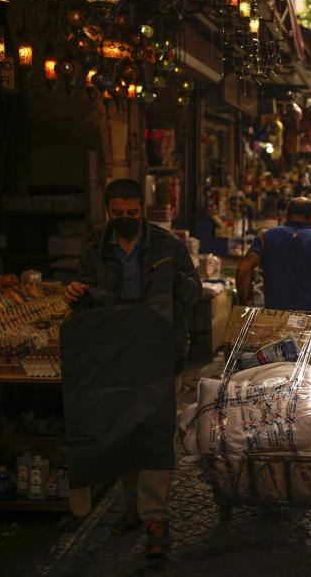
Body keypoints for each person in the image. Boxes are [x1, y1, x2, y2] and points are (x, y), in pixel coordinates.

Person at [63, 179, 202, 558]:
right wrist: (77, 293)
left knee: (154, 432)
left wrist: (171, 278)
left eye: (132, 213)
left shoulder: (166, 244)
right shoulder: (95, 244)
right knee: (122, 428)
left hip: (160, 353)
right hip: (114, 352)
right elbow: (88, 291)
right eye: (117, 214)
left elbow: (195, 292)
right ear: (108, 210)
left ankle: (156, 516)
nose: (125, 219)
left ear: (142, 208)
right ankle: (133, 506)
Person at [235, 197, 311, 333]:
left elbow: (243, 270)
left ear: (287, 214)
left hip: (274, 318)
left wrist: (245, 308)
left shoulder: (265, 238)